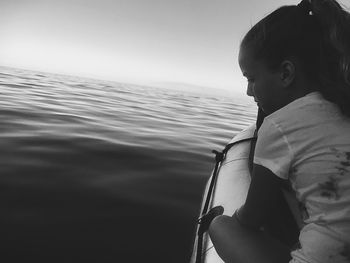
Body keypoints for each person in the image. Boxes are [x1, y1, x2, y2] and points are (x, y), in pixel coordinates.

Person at [208, 0, 350, 262]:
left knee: (220, 226)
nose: (249, 91)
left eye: (251, 79)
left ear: (286, 73)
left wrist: (231, 216)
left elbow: (251, 218)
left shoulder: (278, 126)